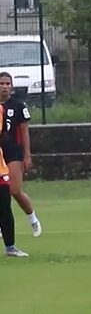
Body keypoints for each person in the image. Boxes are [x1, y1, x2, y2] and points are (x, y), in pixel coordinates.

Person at [0, 72, 41, 237]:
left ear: (12, 86)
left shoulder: (18, 106)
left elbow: (24, 132)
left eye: (7, 84)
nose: (4, 87)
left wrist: (27, 154)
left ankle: (32, 218)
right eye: (1, 83)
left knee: (14, 190)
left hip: (14, 152)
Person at [0, 106, 27, 257]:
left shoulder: (1, 110)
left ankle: (10, 247)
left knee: (5, 206)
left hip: (1, 169)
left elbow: (4, 135)